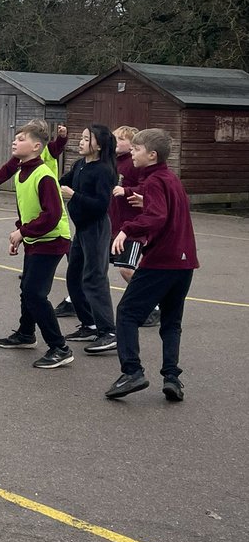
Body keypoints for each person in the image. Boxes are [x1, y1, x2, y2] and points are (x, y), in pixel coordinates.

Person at [105, 129, 198, 401]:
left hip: (162, 261)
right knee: (171, 321)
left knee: (126, 313)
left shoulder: (156, 180)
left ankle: (132, 371)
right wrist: (147, 202)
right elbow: (169, 211)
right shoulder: (170, 179)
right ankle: (172, 378)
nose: (131, 153)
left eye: (136, 149)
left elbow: (157, 217)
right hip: (185, 262)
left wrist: (126, 229)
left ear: (152, 154)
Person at [0, 123, 73, 369]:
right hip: (36, 239)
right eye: (15, 139)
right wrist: (21, 234)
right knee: (27, 288)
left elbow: (52, 215)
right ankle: (26, 333)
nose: (14, 142)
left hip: (53, 240)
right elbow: (27, 209)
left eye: (21, 139)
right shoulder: (21, 173)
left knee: (35, 293)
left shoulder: (44, 175)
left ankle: (59, 347)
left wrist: (23, 232)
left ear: (36, 147)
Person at [59, 124, 117, 353]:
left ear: (99, 145)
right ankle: (89, 324)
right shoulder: (80, 165)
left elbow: (101, 205)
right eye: (81, 138)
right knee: (74, 277)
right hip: (81, 228)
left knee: (94, 278)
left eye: (86, 139)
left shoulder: (104, 170)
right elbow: (63, 180)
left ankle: (108, 331)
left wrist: (74, 196)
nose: (81, 142)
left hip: (96, 228)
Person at [110, 125, 161, 328]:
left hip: (132, 226)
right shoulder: (114, 163)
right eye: (114, 138)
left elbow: (144, 188)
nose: (116, 142)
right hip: (114, 225)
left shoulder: (134, 165)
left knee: (126, 269)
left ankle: (153, 306)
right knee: (90, 267)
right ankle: (75, 302)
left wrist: (126, 191)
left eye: (121, 139)